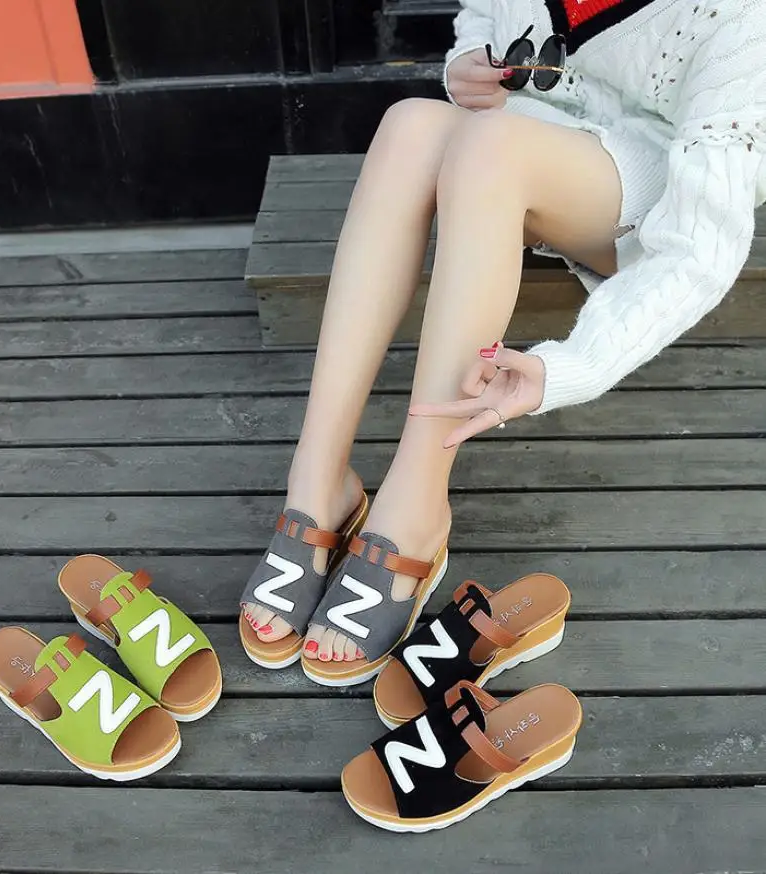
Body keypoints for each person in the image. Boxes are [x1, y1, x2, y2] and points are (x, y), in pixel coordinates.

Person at [239, 0, 766, 680]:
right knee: (409, 126)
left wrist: (575, 364)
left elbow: (700, 248)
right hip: (526, 133)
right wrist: (466, 69)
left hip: (651, 181)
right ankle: (317, 483)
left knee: (490, 146)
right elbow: (485, 17)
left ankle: (415, 503)